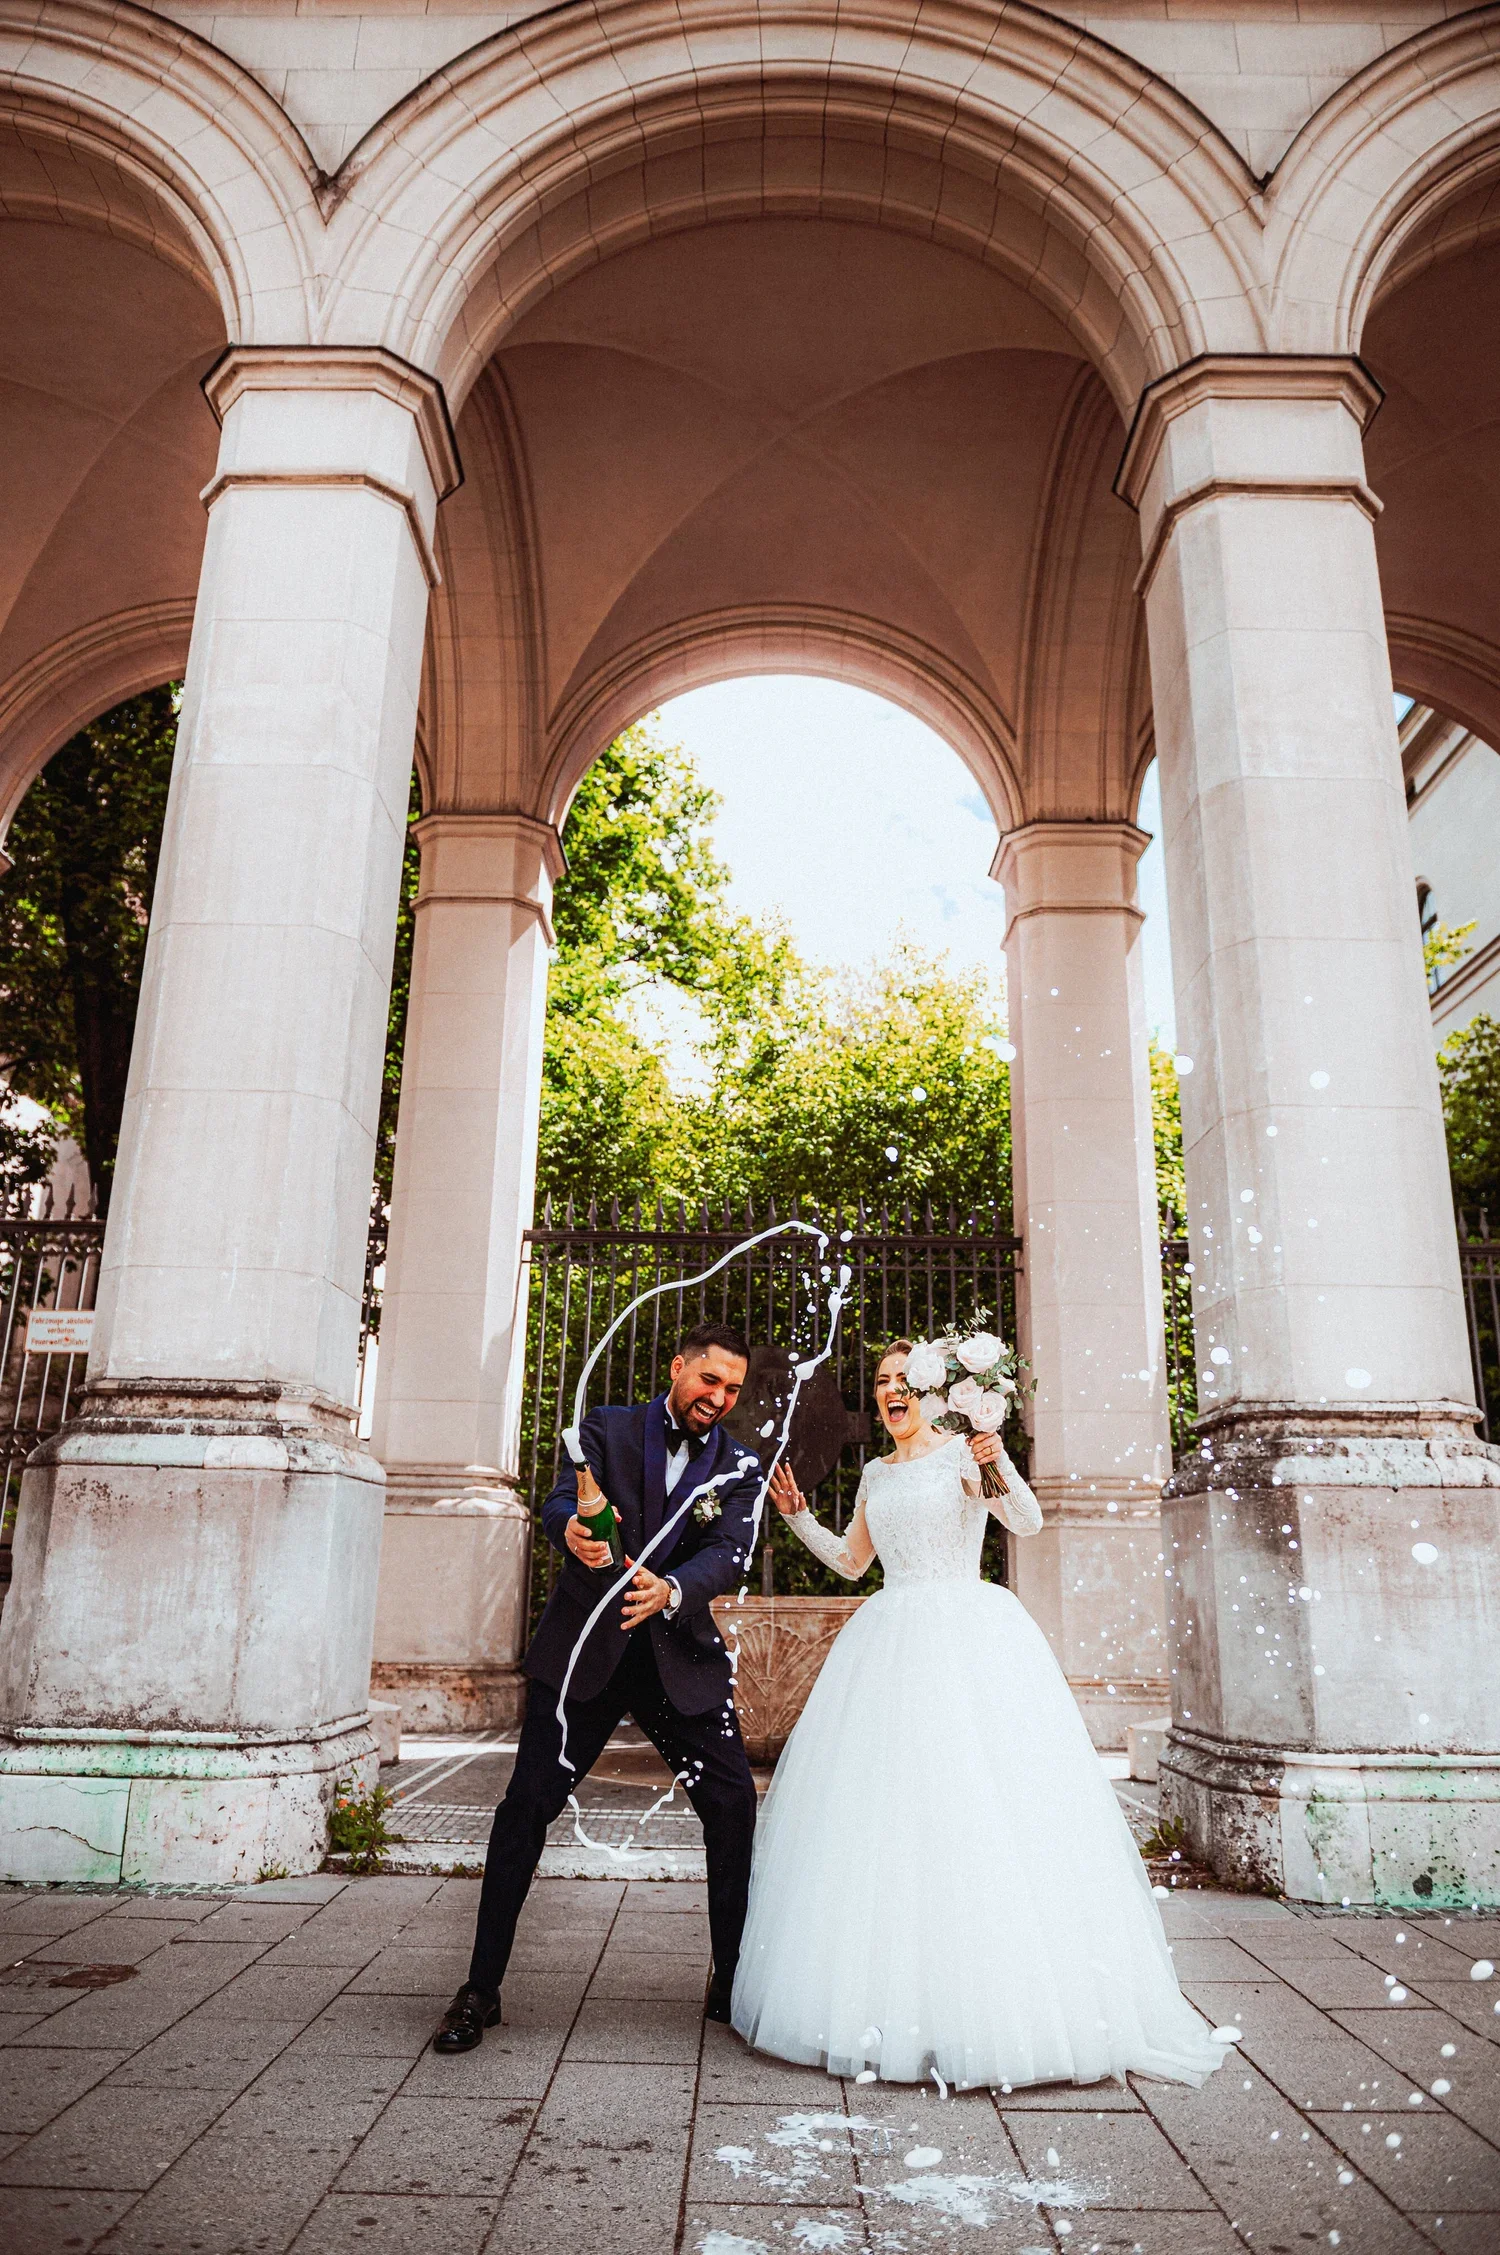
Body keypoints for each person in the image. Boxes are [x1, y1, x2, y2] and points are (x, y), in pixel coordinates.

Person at [730, 1340, 1230, 2091]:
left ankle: (997, 2003)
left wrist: (995, 1459)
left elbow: (1024, 1522)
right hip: (890, 1641)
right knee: (890, 1824)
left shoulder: (964, 1453)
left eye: (903, 1381)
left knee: (978, 1810)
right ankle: (899, 2002)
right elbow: (852, 1563)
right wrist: (800, 1517)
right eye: (881, 1383)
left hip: (967, 1636)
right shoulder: (875, 1472)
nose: (891, 1391)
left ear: (931, 1393)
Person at [432, 1320, 763, 2053]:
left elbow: (730, 1553)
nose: (720, 1396)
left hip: (679, 1660)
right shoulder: (606, 1429)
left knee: (734, 1806)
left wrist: (673, 1588)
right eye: (710, 1379)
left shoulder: (741, 1464)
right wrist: (570, 1533)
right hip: (587, 1655)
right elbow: (559, 1503)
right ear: (679, 1367)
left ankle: (732, 1980)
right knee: (524, 1809)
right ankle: (479, 1988)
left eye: (733, 1388)